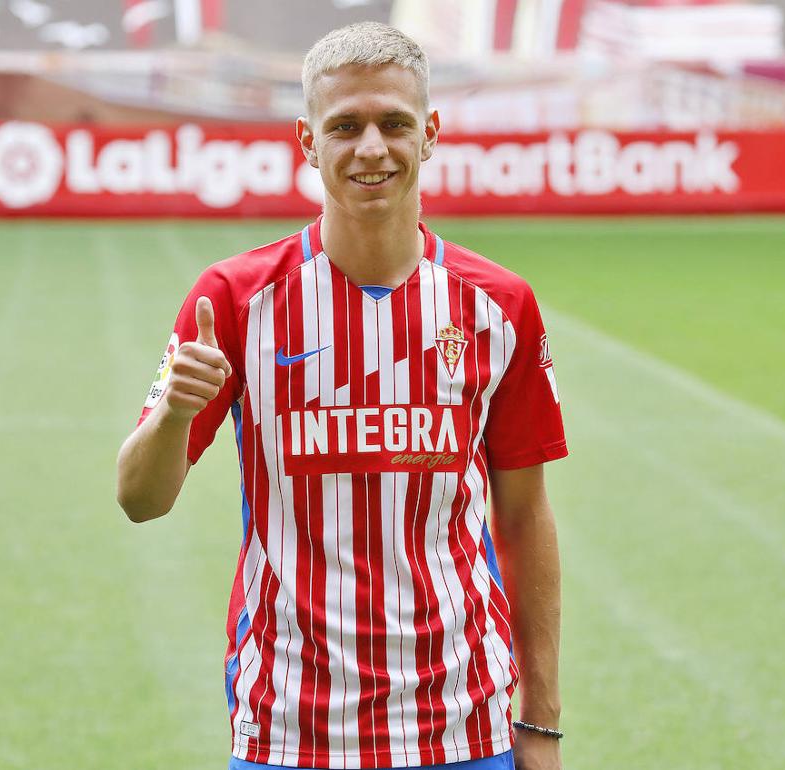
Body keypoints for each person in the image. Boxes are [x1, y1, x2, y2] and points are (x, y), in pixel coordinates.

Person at [116, 22, 567, 770]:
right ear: (306, 139)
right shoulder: (233, 300)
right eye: (344, 126)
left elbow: (523, 517)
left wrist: (541, 720)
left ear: (429, 134)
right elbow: (139, 498)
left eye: (393, 123)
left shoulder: (499, 306)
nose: (371, 148)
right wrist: (173, 413)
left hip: (462, 722)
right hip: (290, 725)